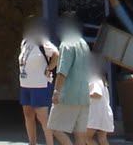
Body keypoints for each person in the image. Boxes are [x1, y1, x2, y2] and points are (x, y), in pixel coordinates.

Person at [49, 17, 92, 145]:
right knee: (80, 134)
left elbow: (63, 71)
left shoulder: (66, 44)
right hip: (84, 95)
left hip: (68, 95)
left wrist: (56, 91)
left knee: (54, 127)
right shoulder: (84, 44)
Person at [18, 17, 60, 145]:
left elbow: (56, 54)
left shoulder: (42, 40)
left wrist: (49, 68)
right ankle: (32, 142)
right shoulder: (25, 42)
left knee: (42, 118)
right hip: (25, 84)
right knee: (28, 115)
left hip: (40, 85)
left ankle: (49, 143)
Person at [85, 57, 113, 145]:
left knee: (86, 137)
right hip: (105, 113)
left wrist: (83, 96)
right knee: (102, 138)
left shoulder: (94, 79)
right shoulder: (103, 81)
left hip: (96, 114)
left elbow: (97, 94)